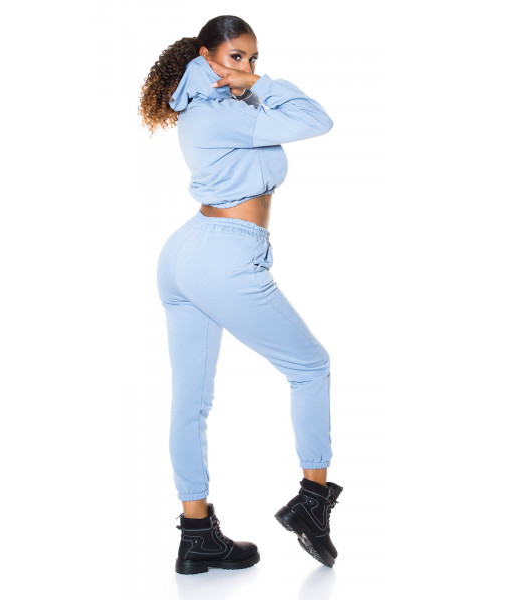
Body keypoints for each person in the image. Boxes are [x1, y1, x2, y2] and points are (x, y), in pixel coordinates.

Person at [138, 15, 344, 575]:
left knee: (191, 401)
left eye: (253, 59)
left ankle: (197, 536)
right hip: (224, 253)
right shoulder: (222, 112)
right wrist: (259, 85)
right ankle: (312, 501)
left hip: (189, 252)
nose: (247, 68)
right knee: (310, 367)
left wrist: (246, 86)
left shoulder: (212, 107)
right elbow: (317, 119)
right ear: (205, 58)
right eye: (236, 58)